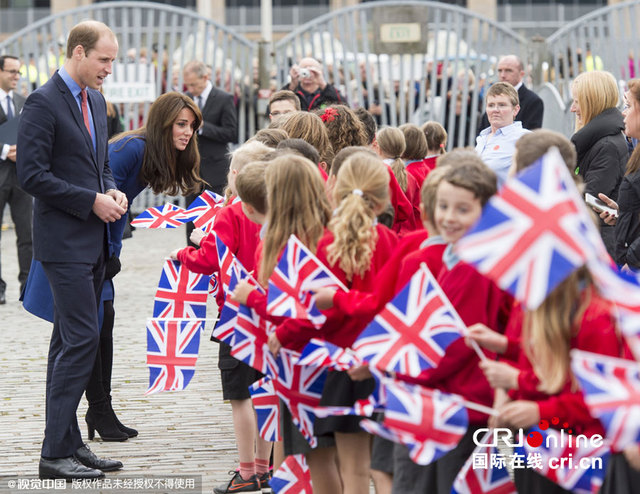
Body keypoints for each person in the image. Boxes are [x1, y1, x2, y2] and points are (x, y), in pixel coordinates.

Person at [16, 20, 126, 480]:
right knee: (82, 340)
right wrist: (90, 201)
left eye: (112, 62)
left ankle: (69, 445)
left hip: (94, 243)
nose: (108, 70)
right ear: (78, 52)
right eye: (103, 60)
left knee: (68, 342)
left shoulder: (96, 101)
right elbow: (32, 176)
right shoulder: (42, 102)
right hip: (63, 246)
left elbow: (100, 164)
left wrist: (112, 190)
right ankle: (52, 454)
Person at [84, 91, 204, 443]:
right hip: (85, 249)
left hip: (103, 250)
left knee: (103, 325)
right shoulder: (131, 149)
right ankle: (99, 410)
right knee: (92, 329)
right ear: (162, 123)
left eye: (192, 126)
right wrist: (107, 253)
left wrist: (113, 250)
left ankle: (101, 410)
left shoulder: (151, 151)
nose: (187, 132)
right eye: (181, 124)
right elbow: (98, 202)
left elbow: (119, 212)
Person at [171, 141, 272, 494]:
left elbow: (210, 257)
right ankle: (264, 466)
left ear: (239, 176)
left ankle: (246, 472)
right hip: (269, 312)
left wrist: (183, 253)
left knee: (241, 396)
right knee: (265, 391)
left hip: (237, 316)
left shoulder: (232, 213)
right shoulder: (280, 209)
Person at [570, 70, 628, 258]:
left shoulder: (606, 145)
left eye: (577, 101)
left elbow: (591, 199)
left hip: (598, 244)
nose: (572, 108)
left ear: (591, 102)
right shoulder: (597, 140)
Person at [183, 60, 238, 245]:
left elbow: (232, 132)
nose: (190, 88)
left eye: (193, 84)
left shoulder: (223, 98)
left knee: (216, 218)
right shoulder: (186, 99)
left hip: (215, 171)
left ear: (205, 77)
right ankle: (193, 259)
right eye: (187, 84)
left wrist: (205, 127)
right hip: (191, 171)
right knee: (192, 220)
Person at [0, 54, 31, 305]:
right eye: (11, 71)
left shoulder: (23, 102)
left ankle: (27, 285)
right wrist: (4, 151)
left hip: (22, 178)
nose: (16, 77)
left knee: (27, 233)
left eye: (18, 72)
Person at [475, 81, 531, 187]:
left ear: (515, 110)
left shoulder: (525, 138)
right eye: (491, 105)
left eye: (502, 105)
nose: (495, 110)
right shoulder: (482, 138)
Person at [479, 55, 544, 131]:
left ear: (521, 74)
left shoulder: (533, 101)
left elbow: (530, 137)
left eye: (508, 70)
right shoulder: (493, 96)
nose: (503, 75)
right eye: (500, 70)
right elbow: (482, 131)